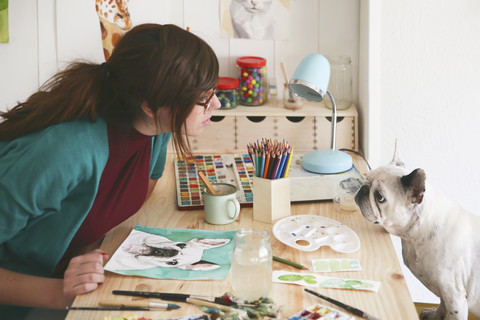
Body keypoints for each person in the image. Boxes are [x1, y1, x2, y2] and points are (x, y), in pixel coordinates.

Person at [0, 23, 220, 318]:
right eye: (203, 98)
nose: (216, 104)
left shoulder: (158, 129)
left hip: (70, 284)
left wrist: (84, 251)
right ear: (151, 106)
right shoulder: (63, 153)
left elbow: (144, 186)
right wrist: (60, 292)